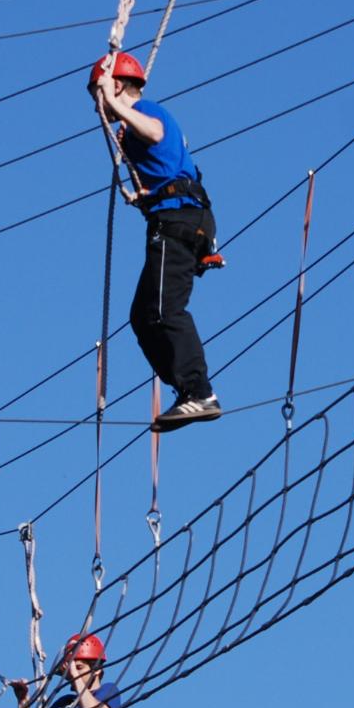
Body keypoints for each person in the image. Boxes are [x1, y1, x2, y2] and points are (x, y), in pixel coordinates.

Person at [92, 52, 223, 431]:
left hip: (179, 221)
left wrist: (118, 106)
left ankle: (199, 391)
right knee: (144, 317)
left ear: (116, 86)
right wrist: (145, 196)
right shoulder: (132, 130)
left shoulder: (147, 112)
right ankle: (188, 391)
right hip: (176, 218)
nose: (99, 107)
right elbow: (165, 165)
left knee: (164, 311)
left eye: (100, 96)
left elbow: (153, 132)